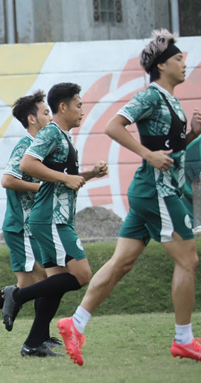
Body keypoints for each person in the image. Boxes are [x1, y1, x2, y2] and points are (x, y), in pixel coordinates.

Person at [57, 30, 201, 365]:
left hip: (151, 191)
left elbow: (170, 147)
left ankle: (74, 324)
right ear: (162, 64)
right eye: (179, 59)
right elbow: (113, 126)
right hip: (157, 192)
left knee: (121, 263)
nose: (185, 64)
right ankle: (184, 339)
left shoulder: (171, 100)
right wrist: (148, 155)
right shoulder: (150, 95)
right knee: (188, 260)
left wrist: (192, 133)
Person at [0, 83, 107, 355]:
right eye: (79, 105)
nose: (82, 110)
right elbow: (26, 165)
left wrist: (89, 174)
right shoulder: (50, 133)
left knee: (55, 284)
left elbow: (64, 180)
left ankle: (34, 342)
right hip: (51, 219)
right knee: (81, 275)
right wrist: (66, 177)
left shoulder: (63, 137)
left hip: (54, 218)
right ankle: (17, 295)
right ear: (64, 107)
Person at [0, 90, 62, 356]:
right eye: (45, 112)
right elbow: (7, 180)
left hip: (31, 227)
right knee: (45, 280)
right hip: (22, 226)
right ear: (31, 119)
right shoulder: (25, 146)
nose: (50, 116)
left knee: (33, 284)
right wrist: (42, 186)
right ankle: (38, 339)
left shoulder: (42, 144)